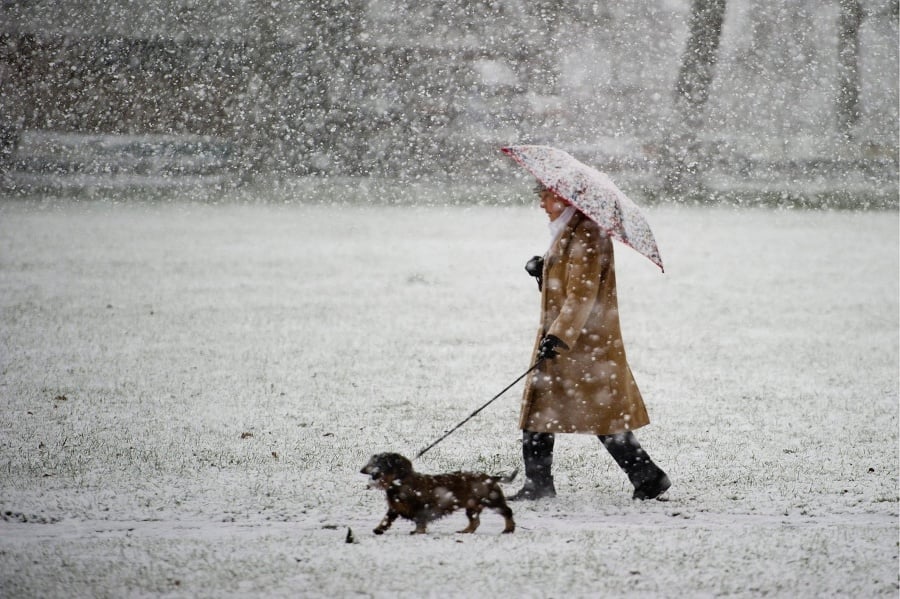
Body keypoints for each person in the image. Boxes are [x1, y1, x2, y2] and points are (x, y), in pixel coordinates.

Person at [509, 183, 671, 501]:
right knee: (582, 413)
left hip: (579, 343)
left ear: (565, 199)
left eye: (547, 196)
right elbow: (569, 284)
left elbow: (582, 295)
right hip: (575, 339)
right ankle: (647, 476)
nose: (541, 202)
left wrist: (558, 336)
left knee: (573, 412)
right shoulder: (570, 228)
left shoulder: (585, 233)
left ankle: (540, 485)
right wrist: (543, 270)